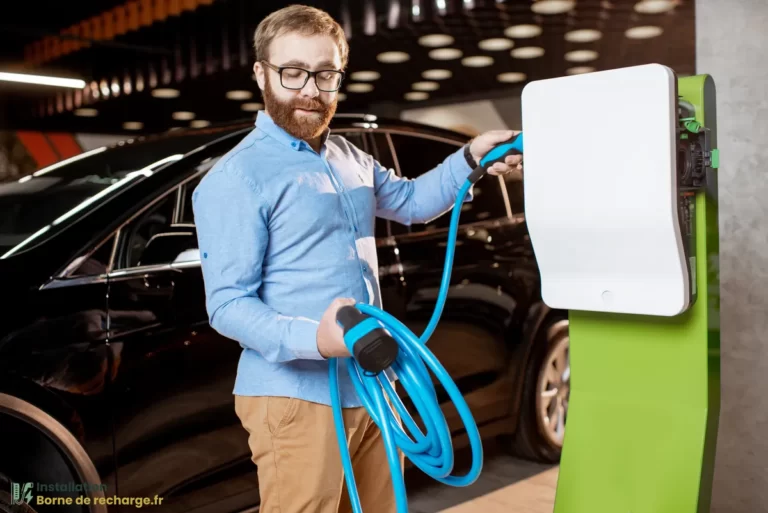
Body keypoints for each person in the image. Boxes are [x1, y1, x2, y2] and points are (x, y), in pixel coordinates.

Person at [192, 4, 523, 513]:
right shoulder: (236, 178)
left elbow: (412, 203)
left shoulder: (349, 156)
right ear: (261, 74)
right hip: (295, 398)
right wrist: (316, 340)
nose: (310, 89)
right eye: (293, 72)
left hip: (372, 387)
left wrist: (470, 157)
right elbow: (228, 305)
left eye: (325, 74)